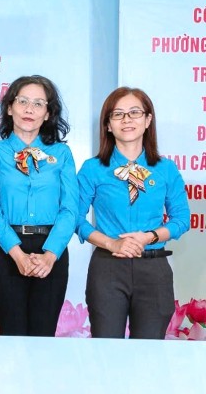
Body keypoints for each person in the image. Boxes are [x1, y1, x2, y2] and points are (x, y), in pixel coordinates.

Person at [77, 87, 189, 339]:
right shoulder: (93, 169)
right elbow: (74, 217)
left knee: (149, 355)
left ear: (148, 120)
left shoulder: (166, 169)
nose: (127, 119)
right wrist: (111, 243)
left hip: (154, 268)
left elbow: (182, 219)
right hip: (108, 268)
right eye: (118, 114)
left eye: (134, 112)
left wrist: (149, 236)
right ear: (108, 125)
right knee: (106, 353)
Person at [0, 75, 77, 336]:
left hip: (51, 253)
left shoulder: (62, 154)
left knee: (43, 340)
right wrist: (18, 254)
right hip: (8, 250)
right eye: (22, 101)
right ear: (10, 108)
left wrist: (50, 255)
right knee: (11, 339)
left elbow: (70, 209)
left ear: (47, 113)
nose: (29, 109)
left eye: (38, 103)